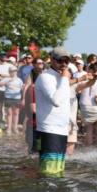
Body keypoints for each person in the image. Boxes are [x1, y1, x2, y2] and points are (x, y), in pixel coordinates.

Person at [34, 48, 73, 176]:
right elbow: (55, 101)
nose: (64, 64)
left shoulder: (61, 78)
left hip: (61, 129)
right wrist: (65, 79)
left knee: (58, 171)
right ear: (51, 60)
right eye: (60, 60)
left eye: (67, 61)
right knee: (49, 173)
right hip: (48, 130)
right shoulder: (45, 77)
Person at [0, 65, 24, 134]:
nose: (13, 72)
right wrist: (8, 80)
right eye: (11, 71)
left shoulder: (19, 80)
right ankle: (9, 128)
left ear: (16, 72)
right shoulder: (7, 78)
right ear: (9, 72)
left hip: (17, 98)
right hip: (8, 98)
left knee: (16, 113)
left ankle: (15, 128)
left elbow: (22, 88)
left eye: (14, 71)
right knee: (9, 113)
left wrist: (23, 97)